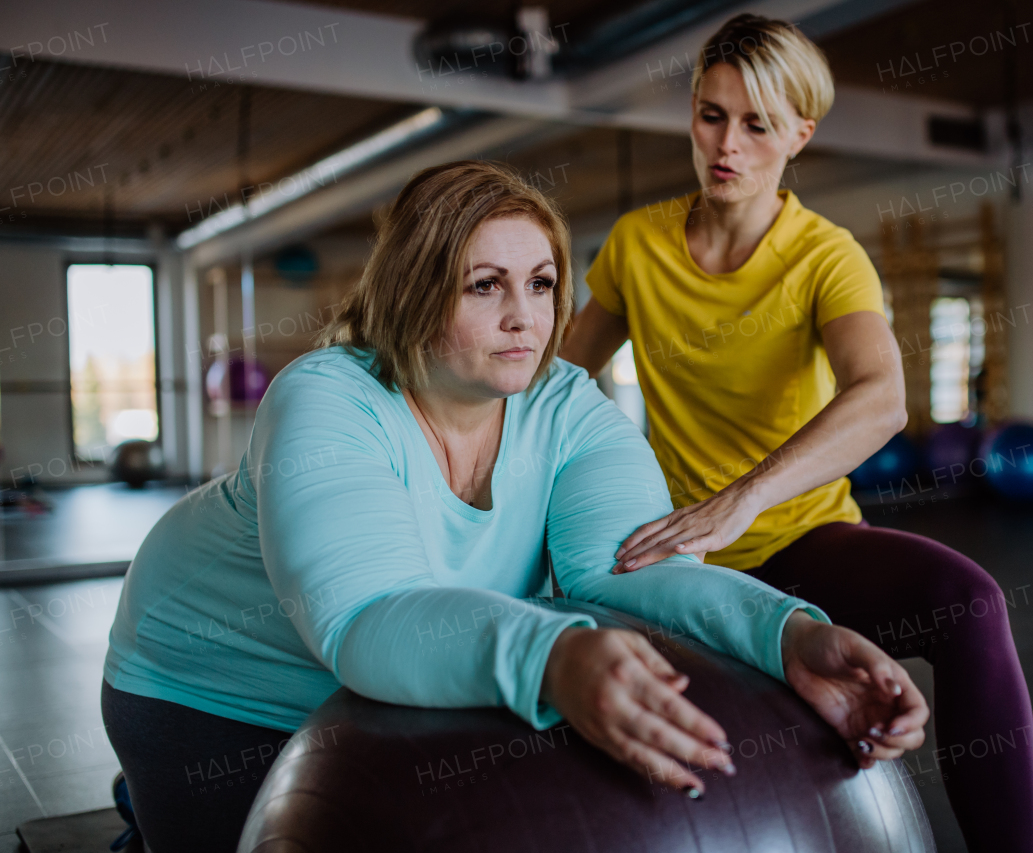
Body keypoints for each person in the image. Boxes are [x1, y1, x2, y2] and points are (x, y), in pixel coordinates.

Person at [101, 160, 929, 853]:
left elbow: (633, 571)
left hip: (382, 684)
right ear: (415, 290)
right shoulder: (326, 400)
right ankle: (143, 812)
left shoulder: (567, 406)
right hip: (212, 682)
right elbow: (367, 619)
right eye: (484, 285)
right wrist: (554, 657)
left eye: (541, 283)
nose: (525, 316)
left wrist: (787, 632)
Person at [561, 15, 1033, 853]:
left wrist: (739, 503)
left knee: (972, 603)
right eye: (711, 114)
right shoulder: (637, 246)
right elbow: (555, 382)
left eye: (757, 125)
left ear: (799, 135)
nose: (727, 145)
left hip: (800, 536)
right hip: (675, 558)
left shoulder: (827, 257)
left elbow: (883, 397)